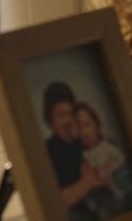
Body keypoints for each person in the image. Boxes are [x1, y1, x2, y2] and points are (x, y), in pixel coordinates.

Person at [42, 83, 108, 216]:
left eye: (70, 114)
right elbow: (54, 202)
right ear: (50, 121)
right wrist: (89, 181)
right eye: (61, 116)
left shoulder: (85, 142)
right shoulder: (46, 153)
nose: (67, 121)